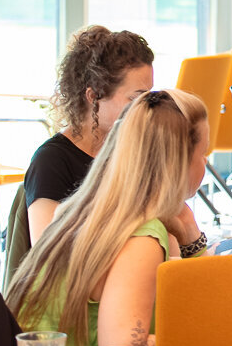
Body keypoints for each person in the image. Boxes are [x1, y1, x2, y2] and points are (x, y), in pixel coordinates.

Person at [6, 89, 209, 346]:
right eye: (203, 152)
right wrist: (200, 339)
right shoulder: (141, 239)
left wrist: (190, 234)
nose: (205, 162)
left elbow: (195, 300)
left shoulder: (86, 209)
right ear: (179, 161)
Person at [24, 25, 154, 243]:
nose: (146, 108)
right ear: (93, 96)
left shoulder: (133, 148)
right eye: (135, 98)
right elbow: (46, 254)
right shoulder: (51, 162)